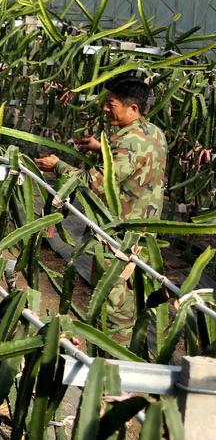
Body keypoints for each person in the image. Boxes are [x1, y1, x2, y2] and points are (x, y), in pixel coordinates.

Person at [34, 75, 167, 329]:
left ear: (133, 108)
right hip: (144, 234)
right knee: (130, 299)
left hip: (119, 238)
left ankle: (111, 361)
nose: (105, 108)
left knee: (112, 311)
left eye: (111, 104)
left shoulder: (127, 144)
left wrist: (57, 166)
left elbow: (92, 182)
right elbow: (134, 160)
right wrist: (100, 148)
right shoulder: (153, 133)